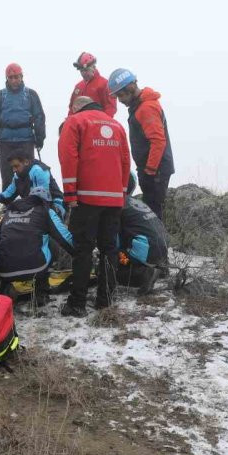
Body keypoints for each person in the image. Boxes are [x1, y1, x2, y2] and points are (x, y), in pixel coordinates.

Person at [58, 97, 130, 317]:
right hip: (114, 198)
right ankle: (105, 299)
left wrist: (70, 193)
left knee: (83, 249)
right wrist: (123, 191)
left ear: (76, 107)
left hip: (87, 198)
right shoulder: (116, 125)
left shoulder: (76, 121)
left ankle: (77, 303)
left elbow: (68, 157)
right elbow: (126, 160)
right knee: (109, 249)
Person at [107, 68, 175, 221]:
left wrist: (150, 171)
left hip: (155, 170)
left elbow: (158, 141)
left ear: (130, 88)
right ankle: (158, 242)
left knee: (154, 211)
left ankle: (159, 243)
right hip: (152, 168)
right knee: (153, 209)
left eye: (121, 95)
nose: (120, 100)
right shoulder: (140, 107)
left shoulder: (146, 108)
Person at [0, 186, 74, 306]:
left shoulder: (9, 212)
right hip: (35, 268)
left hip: (4, 270)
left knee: (2, 248)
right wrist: (80, 253)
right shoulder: (45, 210)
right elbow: (64, 238)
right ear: (46, 201)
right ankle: (41, 292)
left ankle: (2, 287)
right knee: (50, 243)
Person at [0, 63, 46, 189]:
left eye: (16, 77)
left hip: (26, 140)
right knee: (7, 175)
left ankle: (30, 204)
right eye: (11, 77)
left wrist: (40, 137)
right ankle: (8, 205)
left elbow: (39, 116)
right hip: (6, 142)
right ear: (6, 78)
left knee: (28, 173)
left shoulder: (31, 94)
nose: (14, 80)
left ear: (21, 77)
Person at [118, 174, 169, 295]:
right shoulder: (136, 202)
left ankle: (143, 274)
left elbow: (113, 241)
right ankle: (160, 269)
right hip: (163, 250)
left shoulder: (118, 204)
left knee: (110, 263)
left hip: (146, 250)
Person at [0, 153, 65, 216]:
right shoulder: (17, 176)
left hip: (55, 206)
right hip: (34, 206)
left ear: (26, 162)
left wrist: (18, 205)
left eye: (16, 166)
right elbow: (10, 193)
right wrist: (0, 197)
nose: (14, 170)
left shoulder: (39, 171)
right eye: (13, 167)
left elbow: (43, 198)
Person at [67, 52, 116, 118]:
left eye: (86, 70)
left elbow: (110, 107)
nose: (84, 73)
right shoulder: (78, 87)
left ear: (93, 67)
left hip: (97, 124)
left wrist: (104, 122)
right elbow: (72, 109)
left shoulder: (104, 84)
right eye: (81, 71)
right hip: (79, 125)